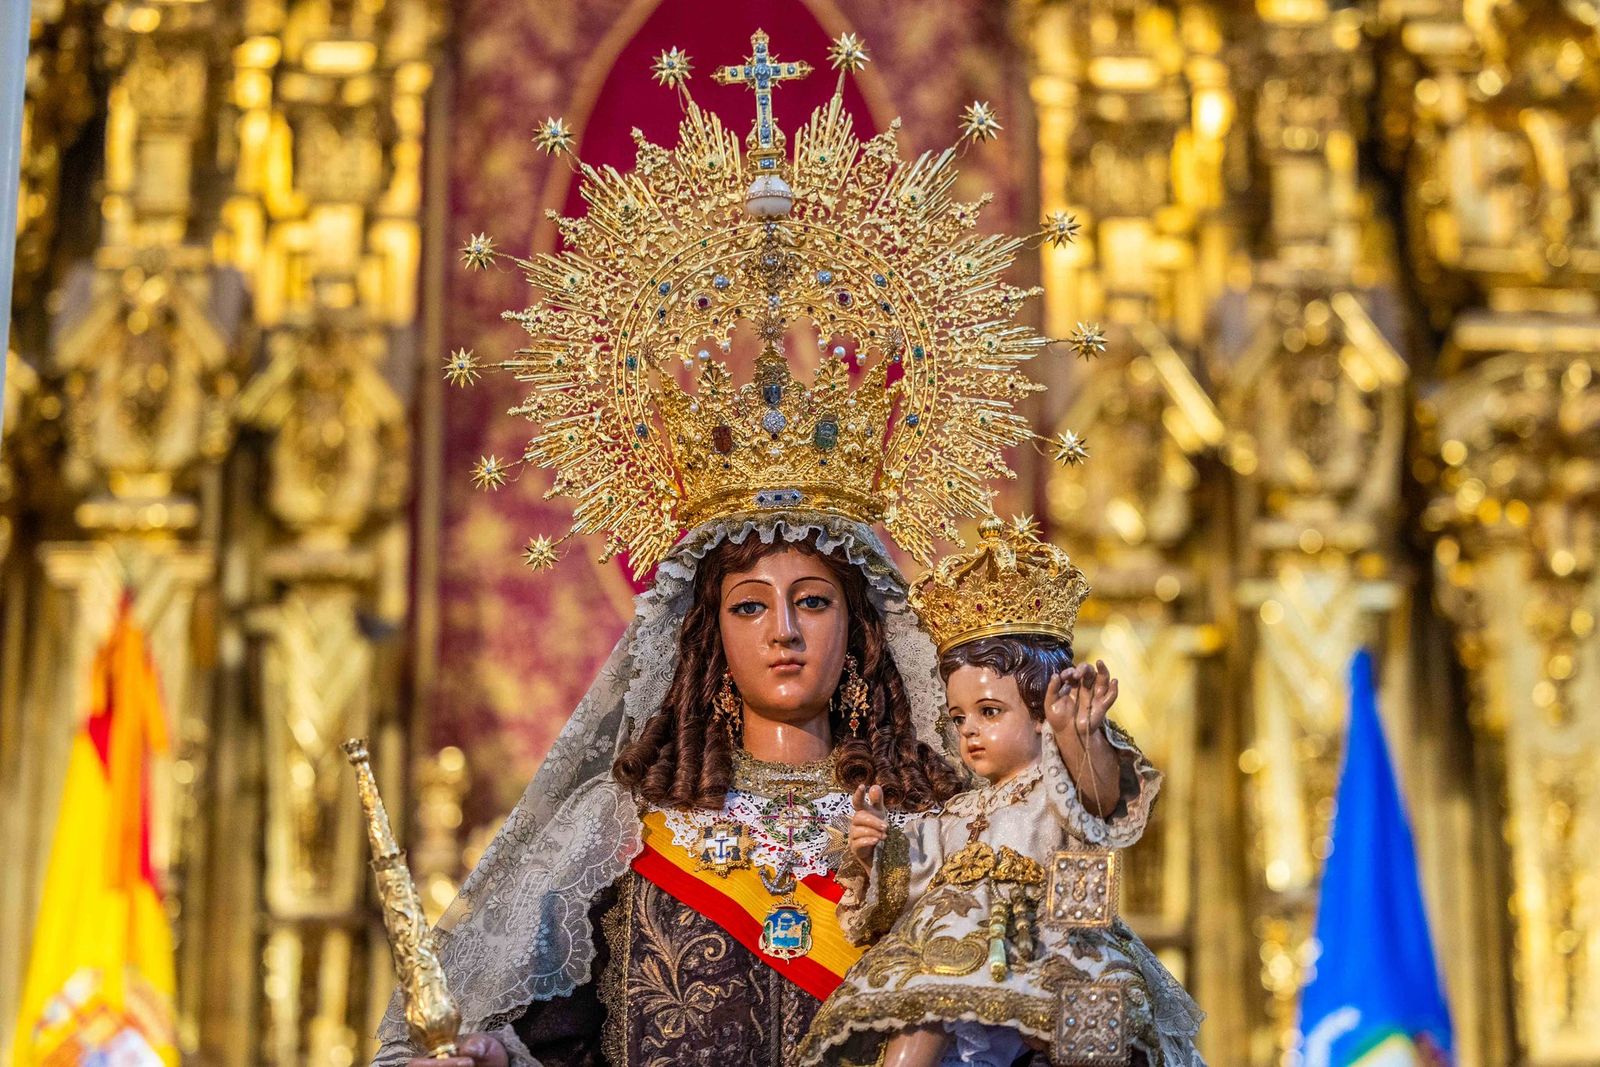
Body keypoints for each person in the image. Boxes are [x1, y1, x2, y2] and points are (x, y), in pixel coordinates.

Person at [797, 519, 1205, 1067]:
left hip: (1061, 945)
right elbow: (909, 875)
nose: (968, 730)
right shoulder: (959, 813)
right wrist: (875, 849)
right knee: (922, 1007)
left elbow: (1100, 802)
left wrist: (1079, 735)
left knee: (1092, 1044)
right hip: (960, 956)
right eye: (958, 716)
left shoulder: (1055, 786)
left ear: (1042, 714)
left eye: (990, 712)